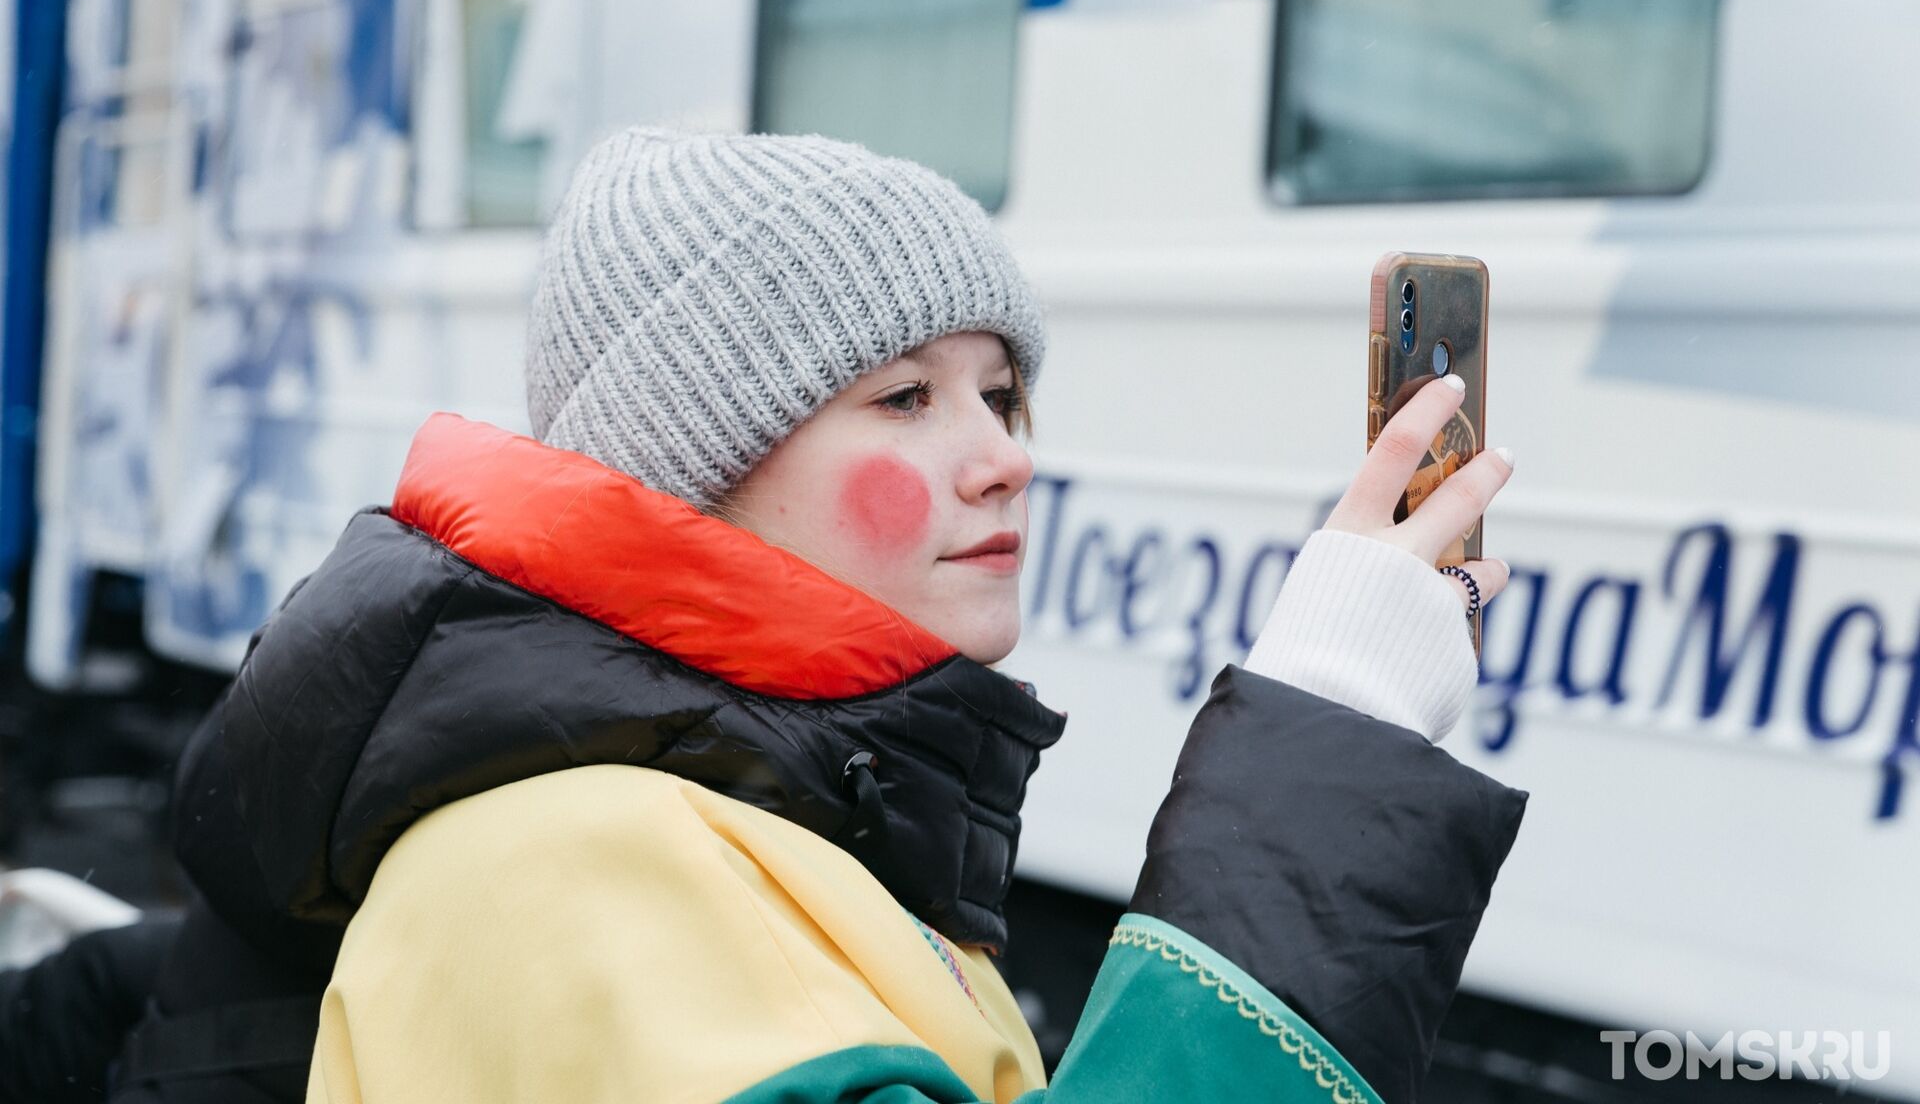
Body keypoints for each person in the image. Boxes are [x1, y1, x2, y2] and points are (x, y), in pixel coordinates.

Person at [11, 129, 1525, 1103]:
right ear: (695, 463)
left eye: (999, 392)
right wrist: (1329, 735)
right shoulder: (573, 861)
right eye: (904, 398)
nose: (1006, 452)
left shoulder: (725, 818)